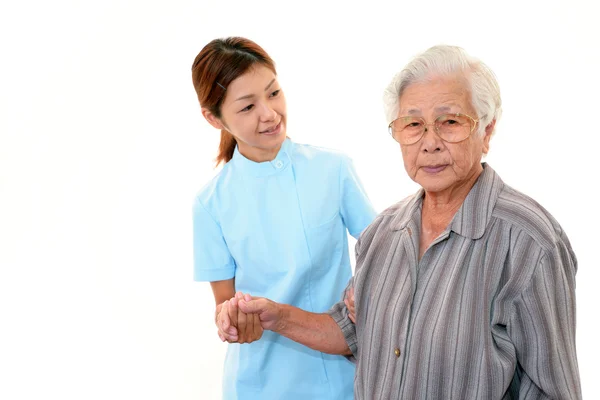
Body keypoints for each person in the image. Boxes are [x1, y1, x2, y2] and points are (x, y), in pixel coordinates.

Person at [225, 45, 582, 399]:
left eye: (450, 122)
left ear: (486, 131)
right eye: (413, 125)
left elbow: (553, 390)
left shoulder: (529, 242)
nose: (430, 143)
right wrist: (277, 317)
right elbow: (353, 330)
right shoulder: (382, 233)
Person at [191, 37, 376, 400]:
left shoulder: (333, 170)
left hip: (339, 371)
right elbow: (223, 305)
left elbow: (381, 251)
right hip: (260, 382)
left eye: (273, 93)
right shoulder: (210, 204)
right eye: (247, 107)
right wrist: (231, 321)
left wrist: (364, 293)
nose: (269, 114)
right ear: (214, 118)